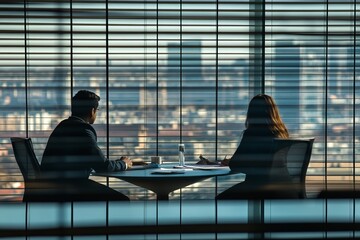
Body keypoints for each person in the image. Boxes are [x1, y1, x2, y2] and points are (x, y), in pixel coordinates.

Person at [41, 90, 132, 201]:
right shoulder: (83, 130)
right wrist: (124, 164)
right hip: (71, 186)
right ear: (92, 111)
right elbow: (102, 166)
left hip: (54, 186)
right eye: (97, 110)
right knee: (122, 200)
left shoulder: (63, 125)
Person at [217, 94, 297, 199]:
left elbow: (235, 164)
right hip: (286, 188)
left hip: (259, 187)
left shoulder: (251, 134)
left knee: (219, 200)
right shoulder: (282, 133)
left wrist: (230, 162)